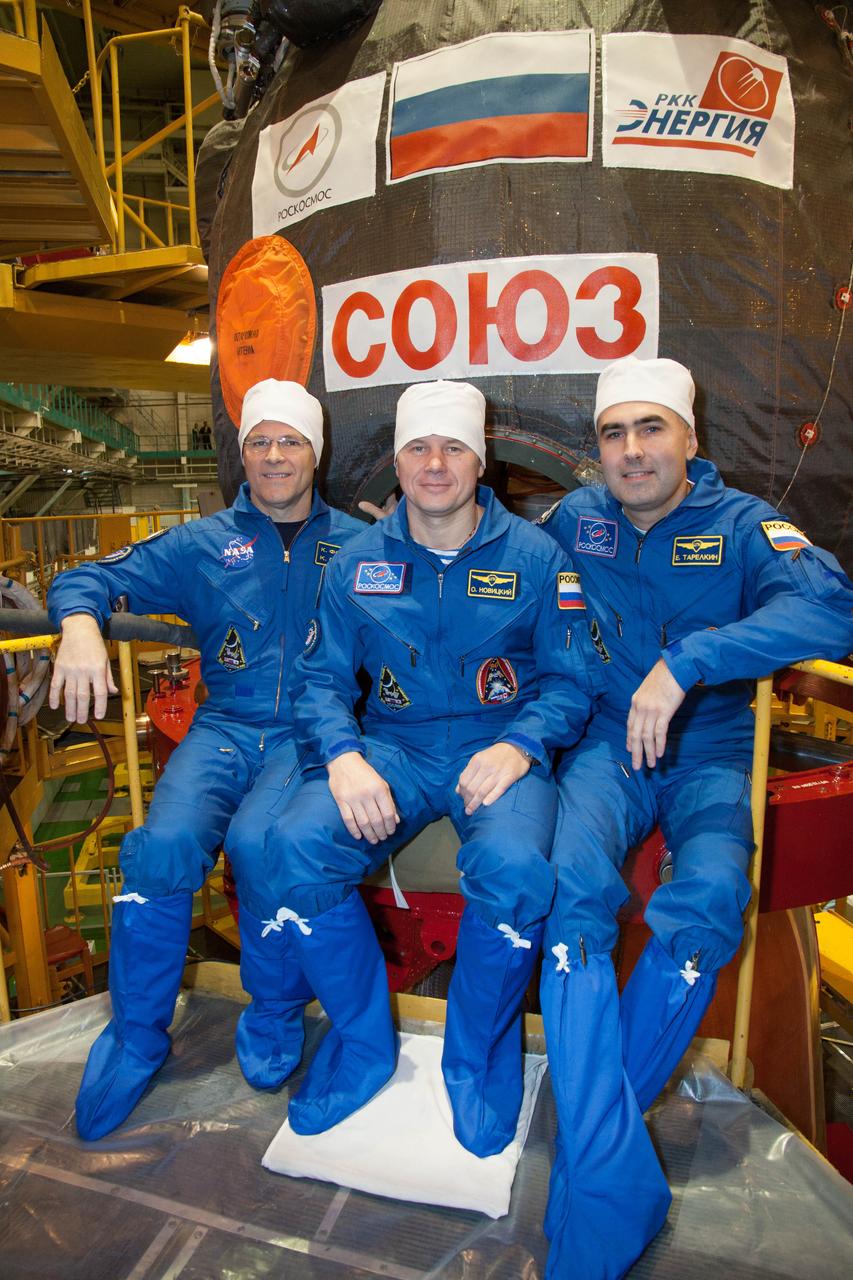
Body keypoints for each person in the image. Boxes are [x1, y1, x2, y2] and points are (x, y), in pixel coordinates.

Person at [537, 355, 853, 1279]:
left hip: (710, 754)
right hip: (603, 748)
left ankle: (598, 1147)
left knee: (708, 905)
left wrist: (692, 660)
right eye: (612, 433)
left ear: (689, 437)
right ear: (594, 448)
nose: (631, 451)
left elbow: (831, 610)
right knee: (570, 901)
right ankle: (606, 1164)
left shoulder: (745, 525)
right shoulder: (573, 519)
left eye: (650, 429)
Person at [254, 379, 603, 1158]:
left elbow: (573, 679)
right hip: (393, 746)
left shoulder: (539, 559)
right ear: (397, 461)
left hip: (499, 745)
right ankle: (363, 1045)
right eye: (418, 447)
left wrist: (519, 746)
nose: (434, 464)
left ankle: (476, 1058)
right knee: (295, 846)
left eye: (453, 447)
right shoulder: (355, 563)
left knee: (514, 869)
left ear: (479, 462)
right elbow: (318, 680)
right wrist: (342, 757)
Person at [47, 378, 362, 1141]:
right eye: (260, 442)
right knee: (159, 848)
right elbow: (89, 575)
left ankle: (276, 1009)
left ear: (315, 453)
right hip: (224, 726)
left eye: (290, 441)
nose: (274, 456)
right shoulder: (202, 543)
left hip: (311, 735)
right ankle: (134, 1036)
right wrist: (82, 624)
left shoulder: (362, 542)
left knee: (262, 853)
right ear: (242, 454)